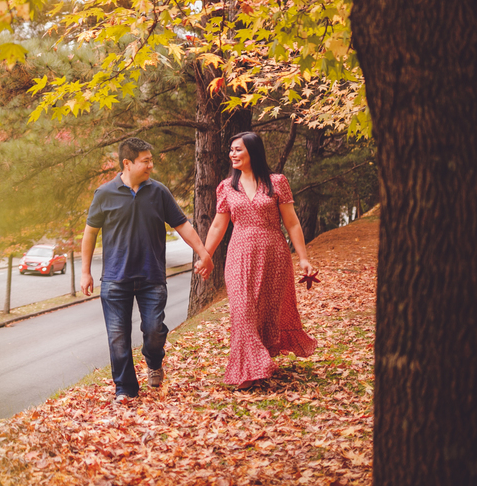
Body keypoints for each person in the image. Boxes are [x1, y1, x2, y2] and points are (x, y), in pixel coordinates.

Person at [80, 137, 213, 402]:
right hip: (115, 280)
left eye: (151, 160)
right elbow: (90, 233)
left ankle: (154, 361)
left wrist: (204, 253)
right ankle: (125, 389)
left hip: (152, 277)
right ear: (127, 163)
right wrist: (85, 272)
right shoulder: (104, 193)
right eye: (146, 161)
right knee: (118, 338)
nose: (151, 165)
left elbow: (183, 225)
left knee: (153, 331)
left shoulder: (158, 192)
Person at [200, 131, 318, 387]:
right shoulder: (226, 187)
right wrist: (205, 255)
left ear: (253, 152)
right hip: (239, 254)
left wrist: (303, 258)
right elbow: (218, 227)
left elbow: (292, 223)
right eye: (231, 150)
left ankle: (258, 363)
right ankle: (247, 370)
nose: (232, 154)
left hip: (274, 254)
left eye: (238, 149)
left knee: (265, 312)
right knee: (242, 311)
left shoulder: (277, 182)